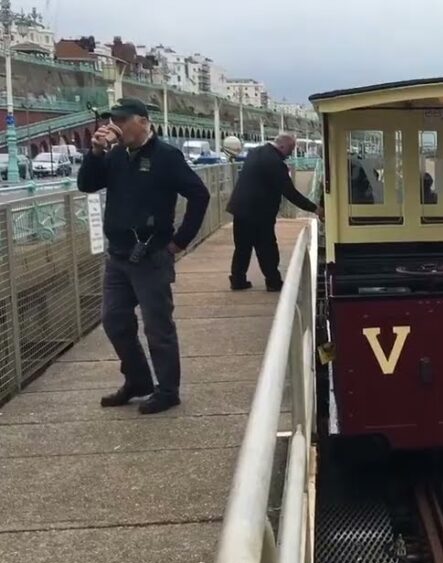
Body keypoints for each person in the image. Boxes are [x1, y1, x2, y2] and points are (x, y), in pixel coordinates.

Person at [77, 97, 210, 414]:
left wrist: (180, 241)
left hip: (151, 255)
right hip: (119, 256)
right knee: (114, 321)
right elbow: (87, 185)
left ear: (143, 121)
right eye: (113, 121)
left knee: (157, 326)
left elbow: (199, 195)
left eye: (123, 120)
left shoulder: (166, 156)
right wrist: (95, 153)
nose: (116, 126)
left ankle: (168, 391)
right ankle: (138, 381)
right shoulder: (116, 156)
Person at [226, 133, 322, 291]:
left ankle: (237, 280)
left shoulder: (255, 152)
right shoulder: (275, 163)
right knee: (267, 247)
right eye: (291, 148)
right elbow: (290, 192)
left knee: (242, 246)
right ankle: (273, 281)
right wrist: (315, 209)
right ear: (283, 146)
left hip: (240, 207)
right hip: (260, 211)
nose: (291, 153)